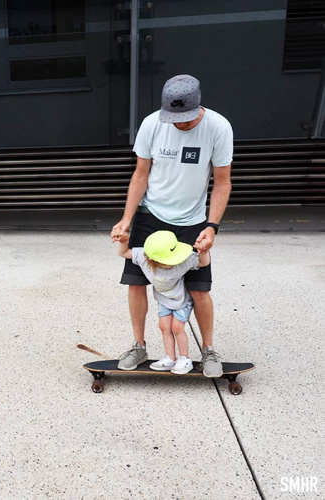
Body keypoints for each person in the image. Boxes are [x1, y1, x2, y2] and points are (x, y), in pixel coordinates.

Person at [111, 74, 233, 377]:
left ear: (197, 106)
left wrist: (212, 226)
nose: (180, 124)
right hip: (151, 216)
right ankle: (139, 345)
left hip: (192, 220)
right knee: (136, 284)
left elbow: (222, 182)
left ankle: (207, 350)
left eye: (186, 120)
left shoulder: (218, 127)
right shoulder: (152, 124)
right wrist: (127, 219)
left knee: (200, 290)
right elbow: (140, 174)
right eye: (174, 119)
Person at [115, 230, 210, 374]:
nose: (171, 262)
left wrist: (203, 251)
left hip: (182, 301)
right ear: (153, 259)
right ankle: (170, 358)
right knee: (164, 326)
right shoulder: (143, 257)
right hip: (164, 301)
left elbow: (203, 262)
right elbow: (124, 253)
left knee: (177, 328)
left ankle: (184, 359)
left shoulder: (182, 260)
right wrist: (123, 241)